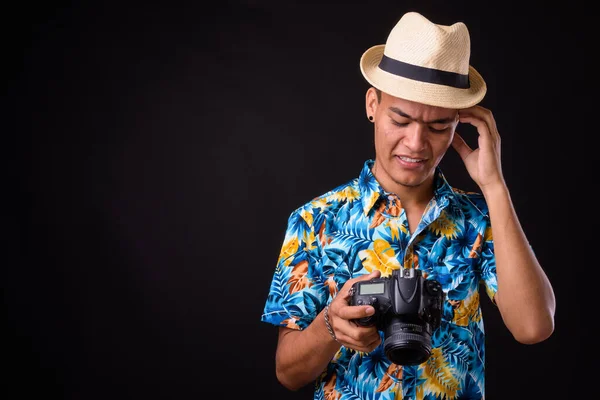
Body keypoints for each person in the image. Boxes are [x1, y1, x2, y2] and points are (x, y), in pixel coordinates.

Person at [260, 11, 555, 400]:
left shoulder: (481, 219)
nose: (416, 144)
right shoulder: (315, 220)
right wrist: (330, 326)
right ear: (372, 105)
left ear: (458, 125)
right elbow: (288, 373)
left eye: (438, 127)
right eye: (401, 119)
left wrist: (494, 186)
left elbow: (533, 327)